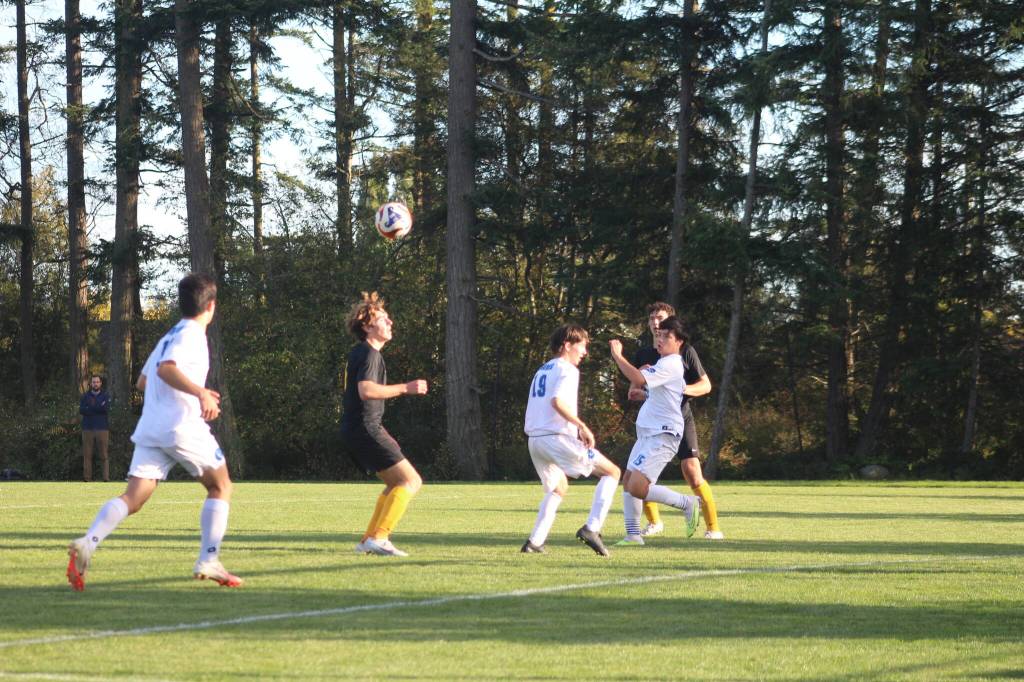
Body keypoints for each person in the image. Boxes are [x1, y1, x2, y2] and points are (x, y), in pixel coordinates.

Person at [66, 273, 243, 591]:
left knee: (133, 498)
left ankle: (88, 541)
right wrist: (200, 393)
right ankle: (209, 558)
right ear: (211, 306)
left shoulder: (169, 335)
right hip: (181, 426)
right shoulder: (191, 334)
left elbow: (143, 382)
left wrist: (172, 398)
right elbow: (166, 370)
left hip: (152, 427)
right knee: (221, 485)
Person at [341, 292, 428, 557]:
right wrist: (406, 388)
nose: (390, 322)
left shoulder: (362, 353)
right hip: (364, 429)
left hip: (358, 429)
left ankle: (368, 538)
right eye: (382, 319)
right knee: (411, 481)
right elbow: (366, 391)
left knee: (394, 485)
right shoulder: (369, 355)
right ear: (367, 327)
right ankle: (379, 537)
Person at [522, 324, 621, 557]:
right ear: (567, 345)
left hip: (535, 440)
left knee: (559, 487)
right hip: (556, 439)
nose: (585, 352)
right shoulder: (567, 369)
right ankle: (592, 529)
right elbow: (557, 402)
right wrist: (582, 426)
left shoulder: (542, 370)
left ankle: (534, 542)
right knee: (612, 472)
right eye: (582, 346)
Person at [630, 302, 723, 540]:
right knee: (639, 475)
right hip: (652, 423)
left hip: (680, 417)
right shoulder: (644, 353)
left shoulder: (683, 353)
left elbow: (706, 385)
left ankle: (713, 527)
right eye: (651, 318)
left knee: (692, 471)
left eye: (660, 318)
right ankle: (653, 523)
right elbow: (636, 386)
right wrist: (640, 392)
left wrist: (680, 390)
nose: (655, 322)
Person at [609, 316, 701, 545]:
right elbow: (666, 394)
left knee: (638, 486)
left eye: (666, 336)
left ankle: (687, 503)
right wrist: (646, 394)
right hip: (648, 433)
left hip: (663, 434)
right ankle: (632, 535)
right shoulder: (664, 364)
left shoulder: (671, 363)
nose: (660, 339)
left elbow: (638, 378)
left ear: (679, 341)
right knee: (628, 480)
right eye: (659, 335)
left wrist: (618, 356)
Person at [80, 375, 111, 482]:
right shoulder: (85, 396)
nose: (95, 384)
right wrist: (98, 407)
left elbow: (105, 409)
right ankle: (87, 478)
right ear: (90, 384)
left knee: (104, 455)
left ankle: (106, 478)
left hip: (102, 428)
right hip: (87, 428)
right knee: (87, 455)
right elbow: (82, 410)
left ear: (100, 383)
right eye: (93, 382)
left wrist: (91, 408)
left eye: (97, 382)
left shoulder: (105, 396)